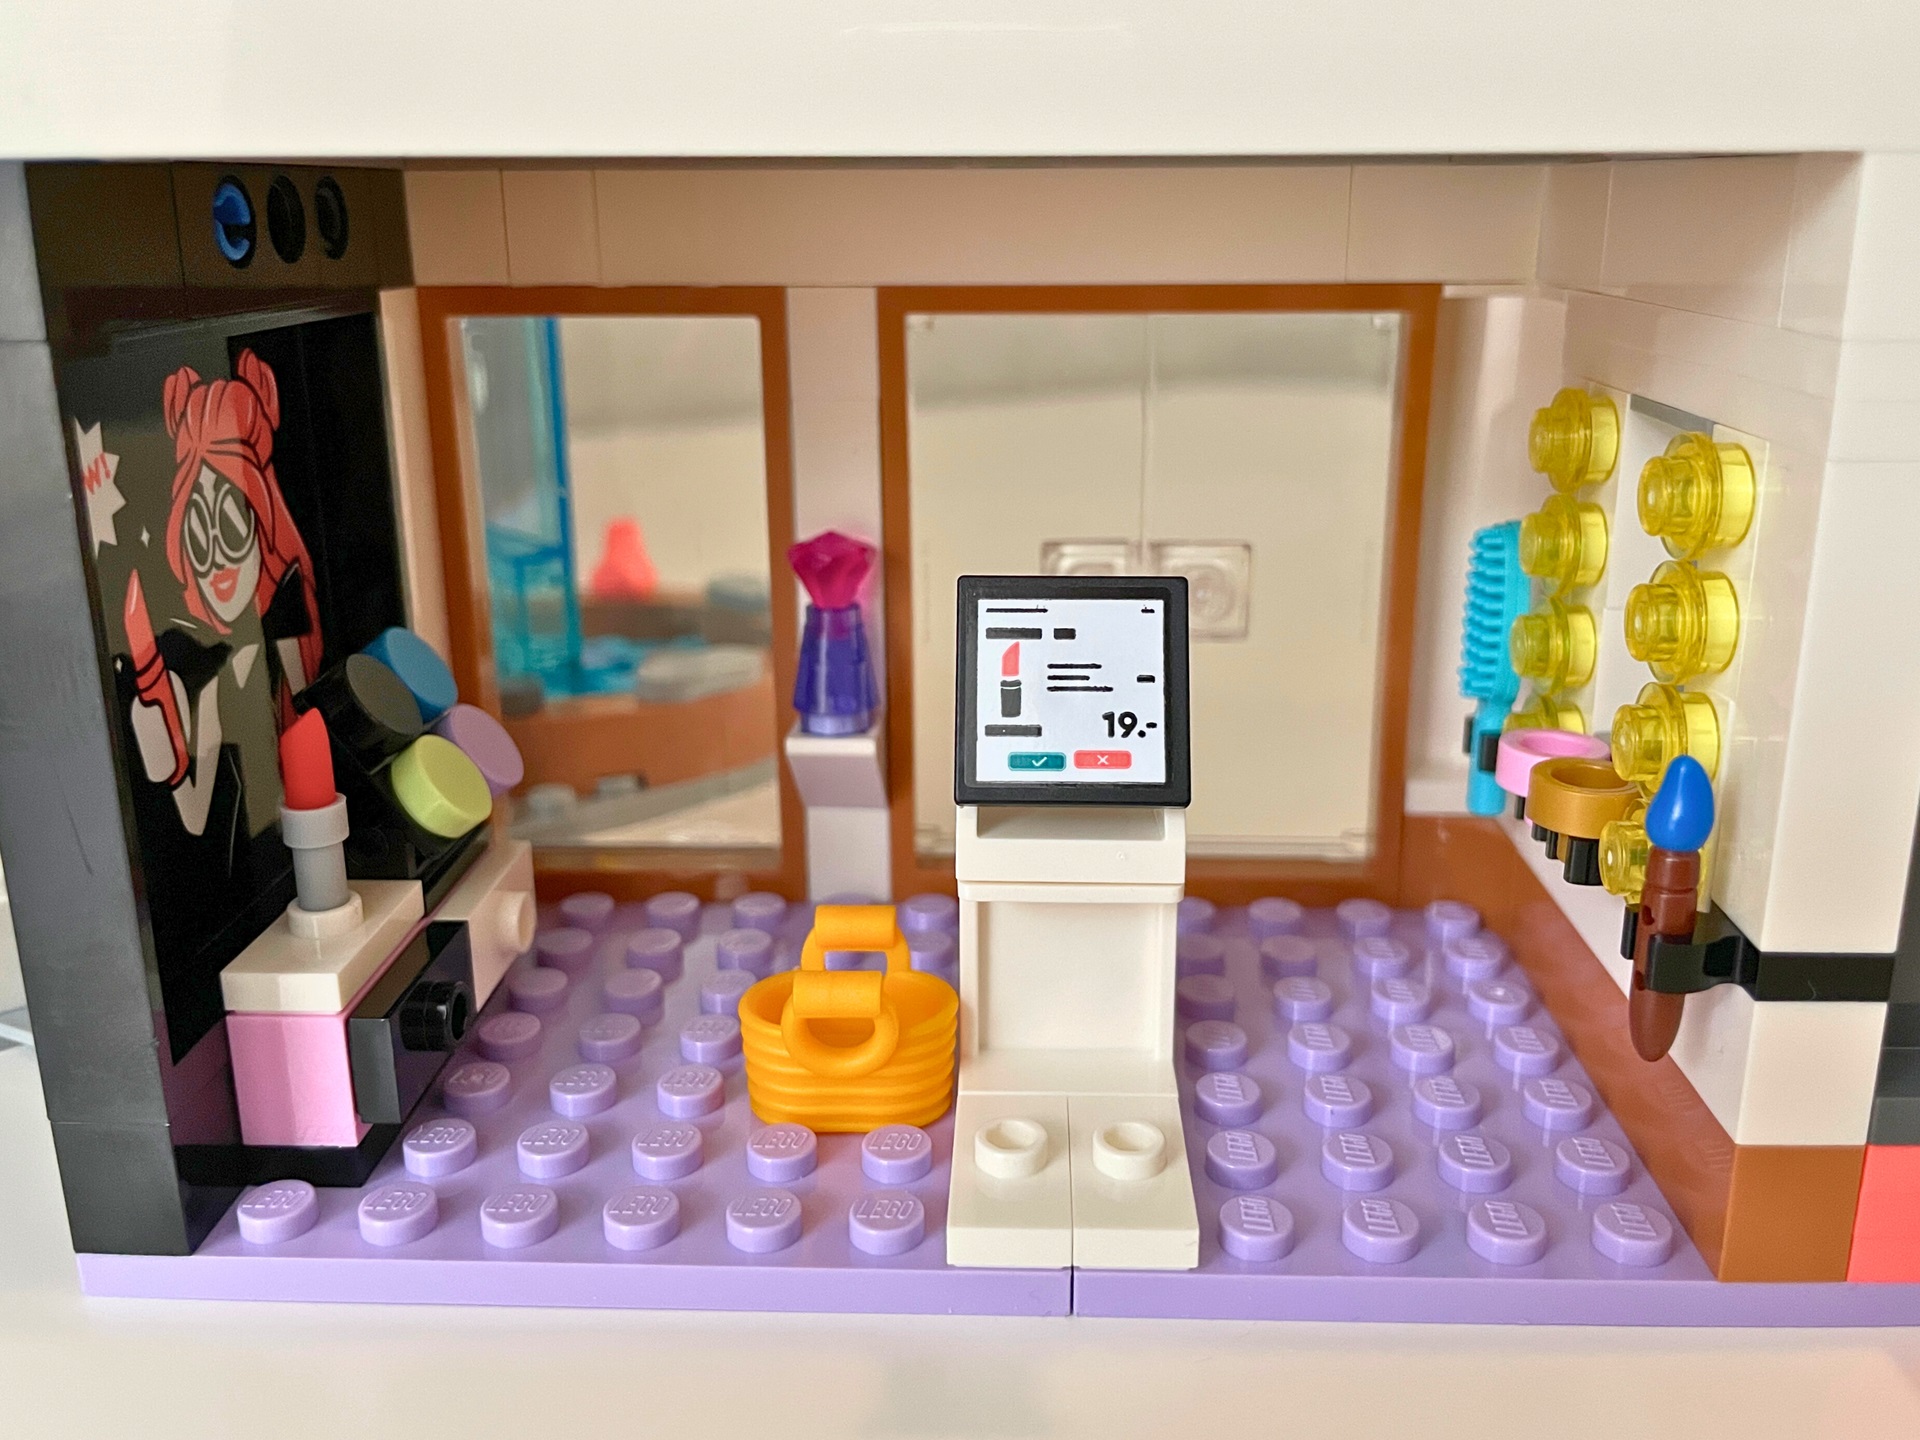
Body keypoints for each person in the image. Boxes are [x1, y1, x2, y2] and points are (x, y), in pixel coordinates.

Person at [127, 349, 323, 840]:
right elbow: (194, 814)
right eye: (200, 536)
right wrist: (167, 762)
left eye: (232, 528)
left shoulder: (285, 634)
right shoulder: (214, 692)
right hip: (253, 856)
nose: (216, 562)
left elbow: (313, 725)